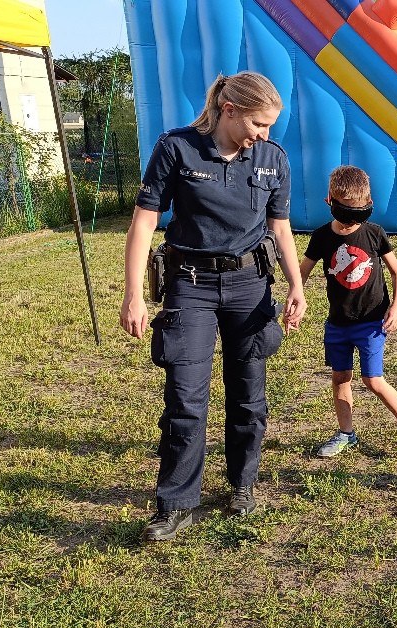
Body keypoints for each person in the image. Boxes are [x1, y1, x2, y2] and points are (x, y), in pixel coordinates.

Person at [120, 72, 307, 543]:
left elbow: (281, 229)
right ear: (229, 110)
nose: (263, 135)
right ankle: (177, 504)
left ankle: (242, 485)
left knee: (248, 396)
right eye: (259, 124)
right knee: (185, 400)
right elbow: (144, 222)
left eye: (269, 126)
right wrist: (134, 294)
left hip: (249, 287)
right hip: (191, 286)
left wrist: (296, 285)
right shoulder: (176, 148)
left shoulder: (272, 159)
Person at [300, 166, 397, 458]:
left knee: (372, 380)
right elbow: (301, 273)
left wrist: (396, 306)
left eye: (360, 213)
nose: (353, 222)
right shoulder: (321, 237)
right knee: (341, 378)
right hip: (338, 324)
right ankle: (346, 434)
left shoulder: (374, 234)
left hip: (371, 323)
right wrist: (295, 299)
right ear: (330, 201)